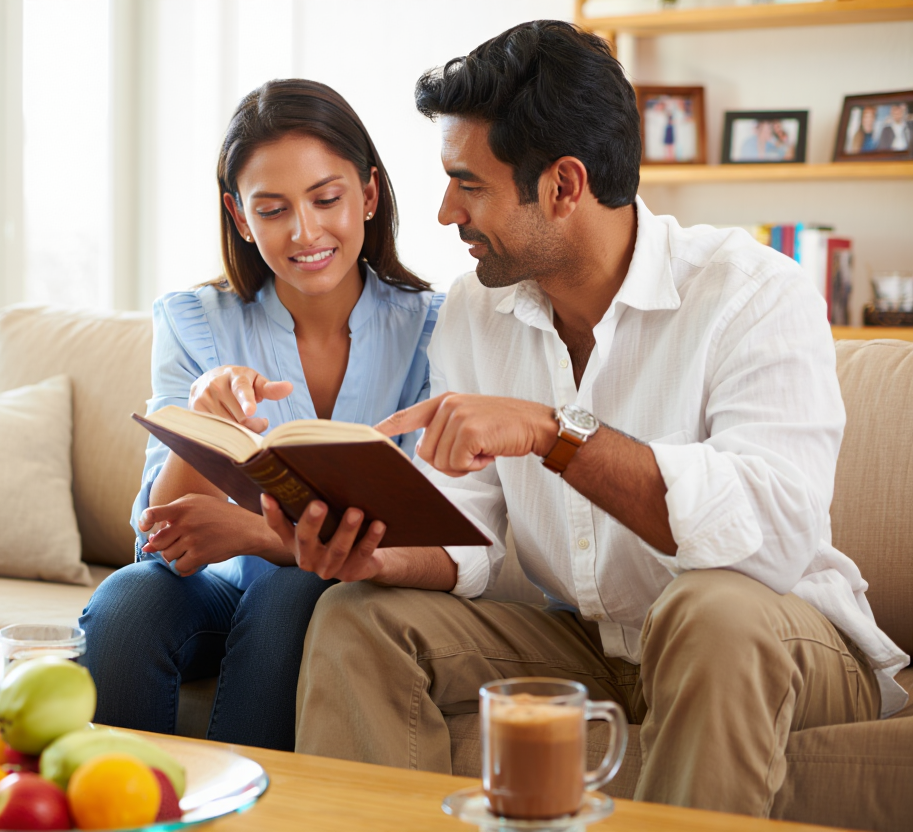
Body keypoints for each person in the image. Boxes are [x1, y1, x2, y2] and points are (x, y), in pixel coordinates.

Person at [264, 21, 909, 816]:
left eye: (468, 185)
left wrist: (553, 432)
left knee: (706, 609)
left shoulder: (753, 293)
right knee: (358, 617)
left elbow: (771, 538)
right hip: (589, 643)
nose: (441, 213)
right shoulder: (477, 309)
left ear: (564, 186)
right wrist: (376, 554)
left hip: (775, 637)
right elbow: (465, 523)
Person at [79, 79, 443, 752]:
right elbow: (158, 539)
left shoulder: (435, 329)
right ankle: (115, 809)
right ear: (240, 217)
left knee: (291, 592)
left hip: (353, 594)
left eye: (327, 199)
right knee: (129, 603)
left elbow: (420, 533)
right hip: (214, 593)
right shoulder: (195, 322)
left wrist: (252, 533)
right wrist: (205, 426)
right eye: (272, 210)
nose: (305, 233)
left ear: (368, 193)